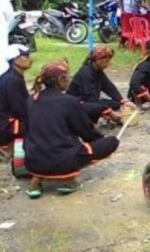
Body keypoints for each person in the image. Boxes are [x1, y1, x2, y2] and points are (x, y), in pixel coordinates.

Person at [24, 61, 119, 198]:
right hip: (61, 161)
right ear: (60, 79)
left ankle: (36, 181)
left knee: (49, 144)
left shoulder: (31, 100)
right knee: (112, 141)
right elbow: (85, 131)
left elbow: (28, 129)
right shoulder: (69, 101)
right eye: (67, 78)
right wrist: (100, 141)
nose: (69, 81)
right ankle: (67, 181)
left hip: (32, 160)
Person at [67, 46, 128, 124]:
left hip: (91, 101)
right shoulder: (86, 73)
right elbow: (90, 98)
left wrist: (122, 100)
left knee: (116, 104)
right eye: (106, 61)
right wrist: (109, 112)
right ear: (98, 60)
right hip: (79, 104)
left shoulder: (98, 71)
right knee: (100, 107)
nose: (108, 64)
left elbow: (108, 86)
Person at [0, 44, 32, 159]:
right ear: (16, 60)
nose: (29, 58)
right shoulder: (13, 80)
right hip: (6, 126)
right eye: (26, 56)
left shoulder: (13, 76)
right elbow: (20, 109)